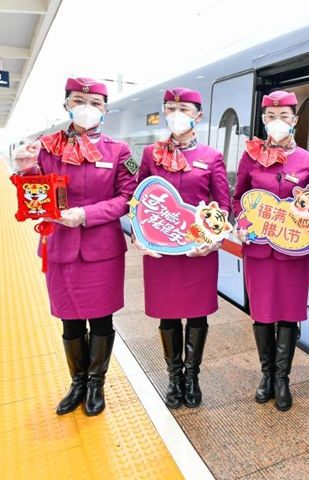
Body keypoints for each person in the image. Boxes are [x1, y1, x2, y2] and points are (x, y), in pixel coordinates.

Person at [12, 77, 136, 416]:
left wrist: (85, 214)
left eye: (95, 103)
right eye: (79, 100)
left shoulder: (119, 151)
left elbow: (127, 198)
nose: (87, 108)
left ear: (105, 110)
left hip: (103, 250)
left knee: (100, 320)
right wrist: (24, 170)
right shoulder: (45, 146)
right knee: (69, 321)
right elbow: (33, 194)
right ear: (66, 103)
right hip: (60, 246)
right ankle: (77, 382)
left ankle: (97, 384)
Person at [232, 90, 309, 412]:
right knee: (262, 314)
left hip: (292, 254)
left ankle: (282, 378)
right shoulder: (250, 157)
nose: (278, 122)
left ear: (295, 121)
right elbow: (238, 198)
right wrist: (243, 221)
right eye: (272, 117)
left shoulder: (308, 161)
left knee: (288, 314)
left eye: (284, 117)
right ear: (263, 120)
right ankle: (265, 375)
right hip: (259, 252)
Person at [132, 88, 231, 409]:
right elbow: (139, 200)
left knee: (198, 313)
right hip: (162, 252)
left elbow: (223, 205)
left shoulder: (211, 157)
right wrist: (138, 234)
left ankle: (192, 377)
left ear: (198, 116)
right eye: (171, 108)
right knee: (169, 314)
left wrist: (213, 240)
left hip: (197, 250)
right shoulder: (150, 155)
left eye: (183, 108)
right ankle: (174, 378)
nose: (176, 113)